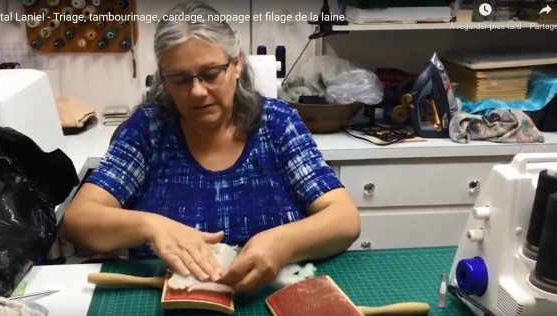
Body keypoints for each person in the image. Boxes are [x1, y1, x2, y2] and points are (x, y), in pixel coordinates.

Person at [63, 1, 360, 292]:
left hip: (272, 298)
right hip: (173, 303)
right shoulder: (149, 130)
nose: (197, 92)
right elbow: (79, 220)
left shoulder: (276, 124)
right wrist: (151, 226)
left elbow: (344, 219)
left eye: (210, 74)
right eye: (179, 80)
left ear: (236, 64)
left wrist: (283, 244)